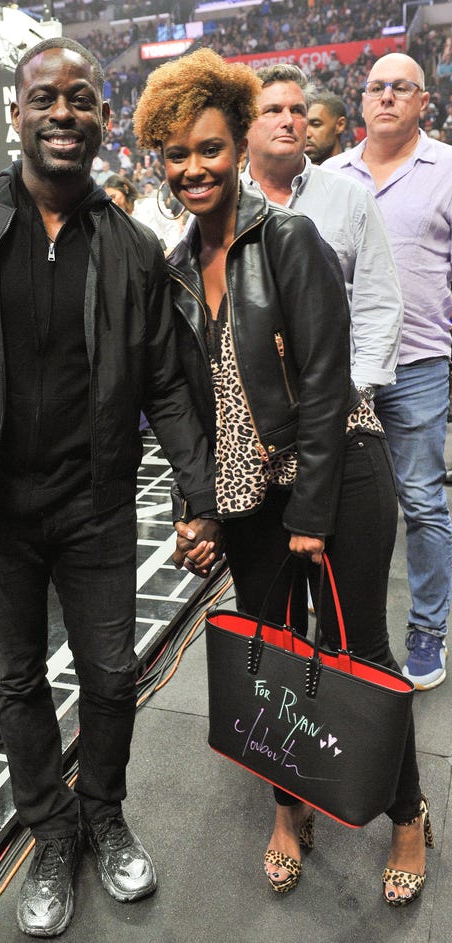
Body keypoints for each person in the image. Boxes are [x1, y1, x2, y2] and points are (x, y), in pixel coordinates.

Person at [0, 37, 217, 939]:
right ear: (16, 114)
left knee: (111, 674)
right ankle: (50, 831)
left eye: (79, 99)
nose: (62, 114)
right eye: (44, 98)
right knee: (16, 679)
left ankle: (103, 812)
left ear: (104, 119)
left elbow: (166, 386)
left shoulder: (133, 248)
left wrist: (199, 498)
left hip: (94, 504)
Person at [134, 46, 431, 909]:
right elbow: (187, 403)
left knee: (359, 654)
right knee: (271, 657)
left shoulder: (290, 237)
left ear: (238, 148)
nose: (194, 168)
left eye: (210, 149)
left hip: (339, 478)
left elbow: (330, 383)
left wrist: (310, 511)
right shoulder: (176, 268)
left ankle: (407, 815)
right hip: (248, 497)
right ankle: (289, 806)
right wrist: (198, 507)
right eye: (176, 154)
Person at [325, 53, 452, 690]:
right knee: (339, 504)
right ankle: (345, 628)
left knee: (422, 502)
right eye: (377, 87)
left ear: (423, 101)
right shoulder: (329, 176)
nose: (387, 97)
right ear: (363, 98)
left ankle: (428, 630)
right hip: (341, 368)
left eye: (401, 88)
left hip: (420, 362)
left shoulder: (447, 169)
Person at [243, 63, 402, 399]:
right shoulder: (225, 203)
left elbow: (378, 303)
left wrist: (359, 390)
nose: (288, 120)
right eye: (273, 110)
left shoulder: (350, 197)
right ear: (245, 124)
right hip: (252, 402)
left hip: (337, 394)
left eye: (298, 111)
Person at [305, 91, 347, 164]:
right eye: (303, 126)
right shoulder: (288, 170)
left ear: (340, 125)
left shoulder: (360, 170)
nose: (306, 134)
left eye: (316, 124)